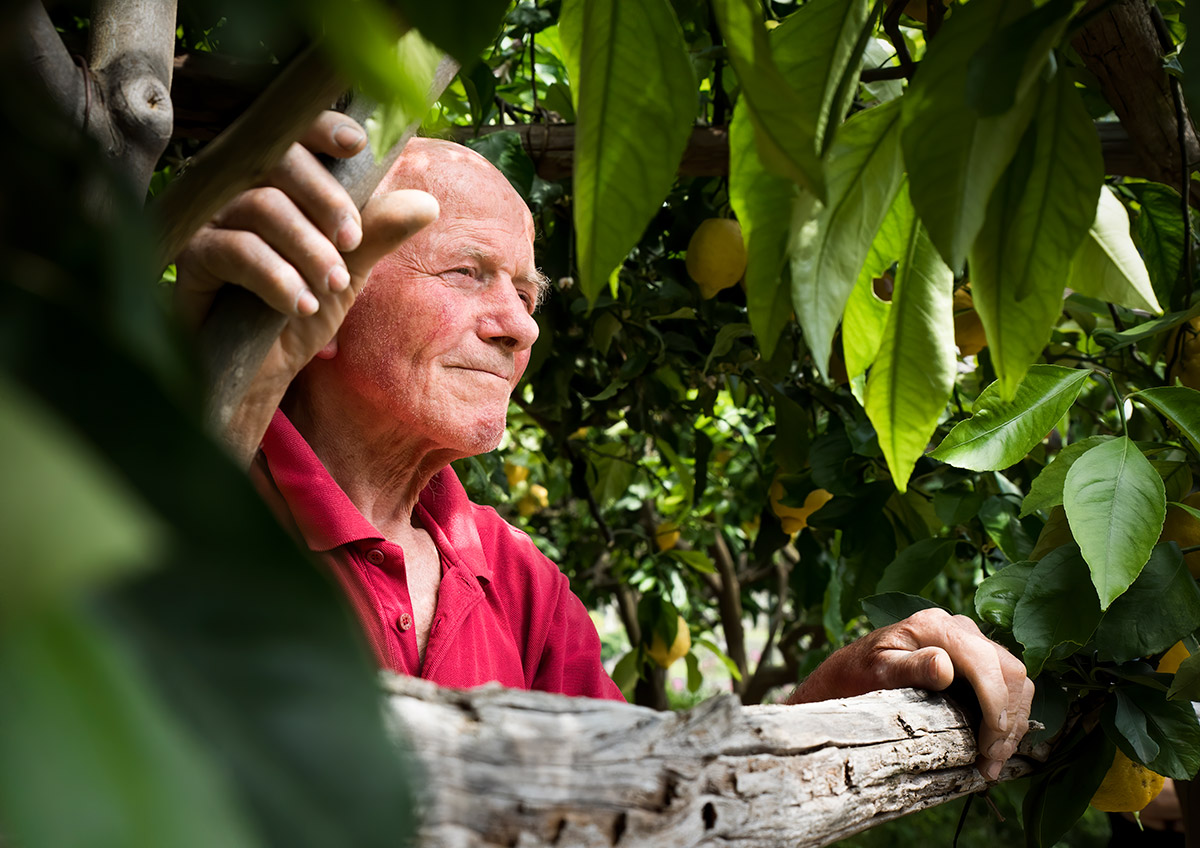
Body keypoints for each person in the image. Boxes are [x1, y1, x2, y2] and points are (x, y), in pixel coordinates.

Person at [176, 111, 1034, 782]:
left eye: (527, 291)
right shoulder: (180, 492)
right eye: (469, 272)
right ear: (325, 283)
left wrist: (844, 690)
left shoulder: (515, 580)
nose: (520, 328)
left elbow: (650, 803)